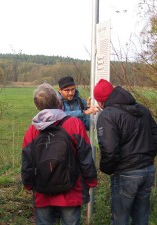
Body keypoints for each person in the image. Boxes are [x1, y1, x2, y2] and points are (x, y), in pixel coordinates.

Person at [22, 83, 97, 225]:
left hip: (42, 191)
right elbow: (85, 157)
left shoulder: (32, 130)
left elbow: (27, 162)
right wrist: (91, 180)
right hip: (71, 190)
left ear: (37, 106)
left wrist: (28, 184)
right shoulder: (74, 124)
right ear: (58, 102)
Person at [93, 79, 157, 225]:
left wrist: (107, 169)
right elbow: (155, 136)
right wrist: (147, 158)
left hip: (125, 172)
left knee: (120, 219)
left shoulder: (107, 115)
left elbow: (109, 150)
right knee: (141, 218)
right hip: (148, 170)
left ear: (101, 102)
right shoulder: (142, 109)